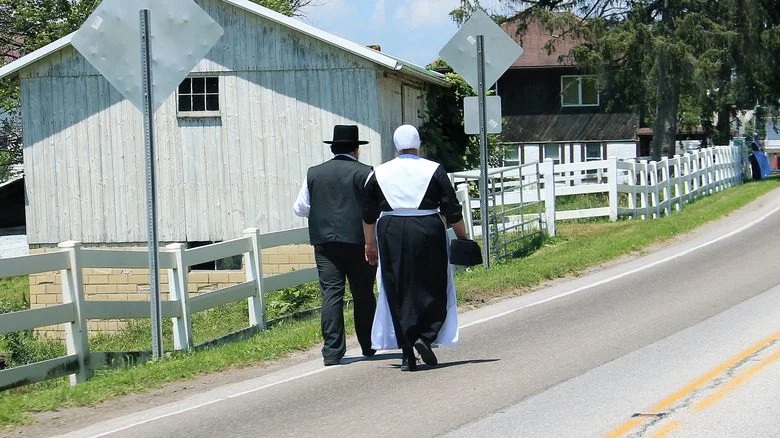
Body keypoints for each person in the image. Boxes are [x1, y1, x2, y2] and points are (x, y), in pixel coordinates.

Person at [362, 124, 469, 371]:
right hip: (427, 227)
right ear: (418, 144)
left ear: (395, 146)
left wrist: (370, 244)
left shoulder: (378, 172)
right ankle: (425, 335)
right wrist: (462, 237)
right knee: (431, 283)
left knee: (397, 287)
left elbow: (368, 214)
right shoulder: (434, 169)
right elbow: (452, 209)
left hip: (390, 230)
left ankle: (406, 351)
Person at [293, 125, 378, 366]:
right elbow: (375, 210)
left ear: (333, 148)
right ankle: (369, 344)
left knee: (331, 294)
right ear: (356, 149)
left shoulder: (314, 173)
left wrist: (324, 211)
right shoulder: (366, 173)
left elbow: (300, 208)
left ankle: (332, 351)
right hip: (359, 242)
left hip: (325, 242)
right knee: (363, 294)